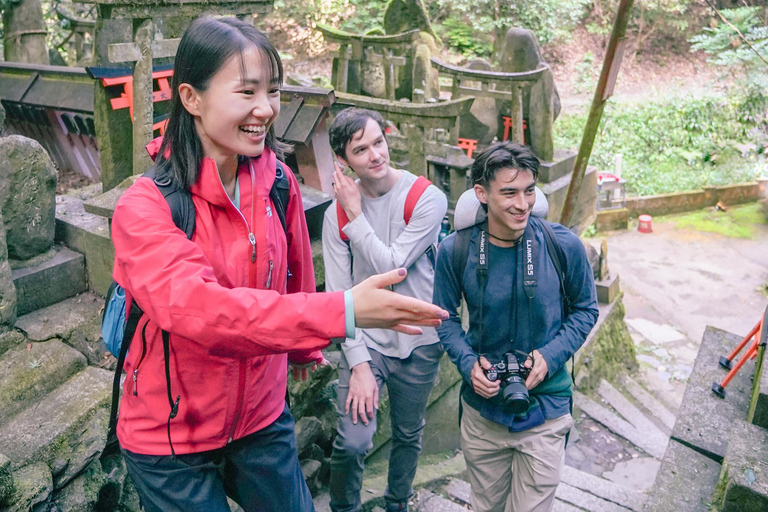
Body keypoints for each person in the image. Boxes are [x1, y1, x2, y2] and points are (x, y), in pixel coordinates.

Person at [110, 18, 447, 512]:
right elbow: (201, 310)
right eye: (247, 91)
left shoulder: (279, 183)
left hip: (262, 415)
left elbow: (293, 277)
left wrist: (302, 352)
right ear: (191, 97)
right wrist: (345, 310)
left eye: (272, 90)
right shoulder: (144, 209)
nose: (266, 109)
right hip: (170, 436)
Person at [432, 141, 598, 512]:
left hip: (546, 407)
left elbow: (586, 309)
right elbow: (443, 317)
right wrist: (467, 363)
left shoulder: (562, 245)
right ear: (482, 194)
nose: (522, 204)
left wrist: (550, 356)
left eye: (528, 191)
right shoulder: (456, 250)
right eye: (509, 192)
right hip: (482, 410)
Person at [323, 108, 448, 512]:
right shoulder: (335, 215)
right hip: (367, 336)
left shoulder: (425, 198)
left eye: (379, 142)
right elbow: (339, 295)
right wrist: (358, 364)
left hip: (420, 336)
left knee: (409, 433)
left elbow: (392, 268)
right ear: (343, 160)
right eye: (361, 149)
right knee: (353, 442)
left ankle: (397, 503)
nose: (376, 155)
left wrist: (357, 216)